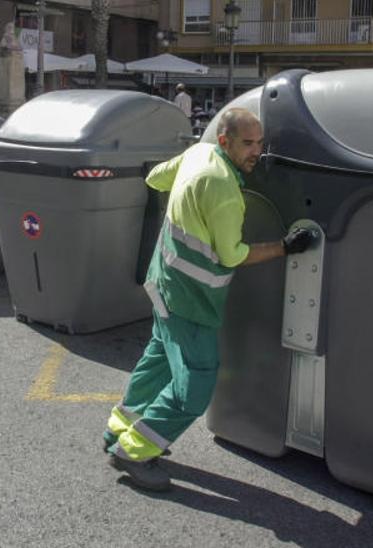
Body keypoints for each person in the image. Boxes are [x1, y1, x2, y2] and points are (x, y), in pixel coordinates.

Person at [102, 108, 316, 491]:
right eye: (247, 144)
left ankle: (120, 428)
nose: (256, 152)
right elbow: (233, 255)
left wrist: (186, 198)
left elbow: (155, 178)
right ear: (225, 141)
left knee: (158, 363)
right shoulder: (224, 190)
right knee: (195, 386)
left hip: (163, 281)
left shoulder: (198, 154)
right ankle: (133, 451)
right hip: (191, 301)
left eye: (260, 143)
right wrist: (284, 248)